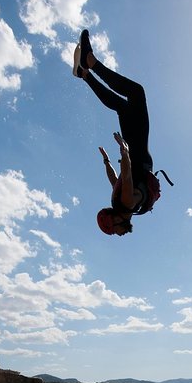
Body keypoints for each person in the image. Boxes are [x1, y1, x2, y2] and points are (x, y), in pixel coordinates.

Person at [73, 29, 154, 236]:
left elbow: (122, 178)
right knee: (123, 106)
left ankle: (90, 64)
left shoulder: (124, 203)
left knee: (136, 93)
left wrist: (118, 156)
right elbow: (118, 179)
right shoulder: (122, 203)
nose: (119, 233)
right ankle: (84, 73)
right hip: (132, 149)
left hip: (134, 149)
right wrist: (111, 160)